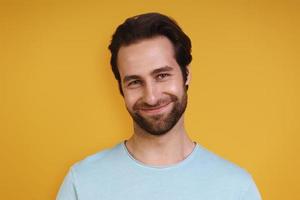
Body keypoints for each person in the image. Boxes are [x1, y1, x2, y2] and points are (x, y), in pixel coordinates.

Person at [56, 12, 261, 200]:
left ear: (186, 75)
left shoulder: (236, 188)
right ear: (121, 88)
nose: (151, 97)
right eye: (135, 82)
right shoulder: (82, 182)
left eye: (162, 75)